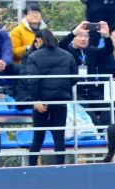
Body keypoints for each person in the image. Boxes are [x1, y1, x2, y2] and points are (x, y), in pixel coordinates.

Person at [26, 29, 78, 166]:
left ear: (39, 40)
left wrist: (36, 100)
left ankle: (31, 167)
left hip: (41, 104)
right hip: (60, 102)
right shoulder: (68, 56)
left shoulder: (34, 57)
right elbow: (74, 79)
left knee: (38, 138)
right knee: (59, 137)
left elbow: (32, 81)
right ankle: (60, 167)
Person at [59, 21, 112, 126]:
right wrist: (73, 32)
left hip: (92, 92)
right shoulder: (67, 51)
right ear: (74, 37)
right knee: (88, 112)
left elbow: (108, 50)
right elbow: (60, 45)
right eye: (80, 36)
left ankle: (106, 130)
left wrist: (106, 35)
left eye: (86, 36)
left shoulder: (90, 51)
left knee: (109, 105)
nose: (83, 39)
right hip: (76, 92)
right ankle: (99, 131)